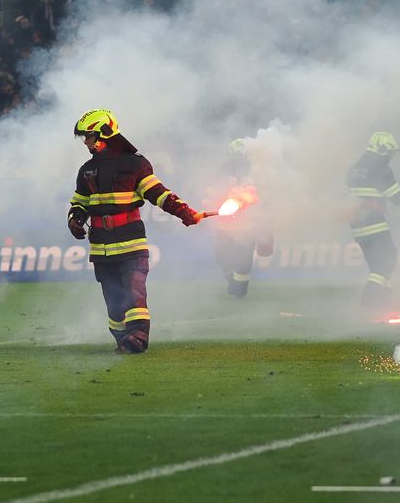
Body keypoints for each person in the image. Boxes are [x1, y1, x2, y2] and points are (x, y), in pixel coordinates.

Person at [67, 109, 201, 354]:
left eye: (88, 136)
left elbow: (159, 194)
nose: (85, 142)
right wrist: (75, 219)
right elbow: (79, 203)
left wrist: (184, 211)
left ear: (103, 132)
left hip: (131, 245)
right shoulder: (86, 170)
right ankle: (122, 337)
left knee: (134, 292)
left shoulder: (135, 164)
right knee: (113, 301)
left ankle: (138, 338)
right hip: (101, 248)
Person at [345, 131, 400, 315]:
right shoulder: (380, 169)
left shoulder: (354, 168)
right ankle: (368, 303)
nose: (390, 158)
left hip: (358, 226)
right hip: (374, 222)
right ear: (382, 150)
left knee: (380, 266)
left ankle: (383, 303)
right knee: (386, 260)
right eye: (390, 153)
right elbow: (397, 197)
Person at [211, 138, 272, 298]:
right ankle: (231, 278)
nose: (239, 161)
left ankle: (240, 288)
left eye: (241, 157)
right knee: (221, 255)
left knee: (243, 258)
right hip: (226, 223)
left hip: (248, 224)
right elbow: (214, 190)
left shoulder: (257, 170)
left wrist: (266, 237)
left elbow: (265, 201)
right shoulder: (224, 171)